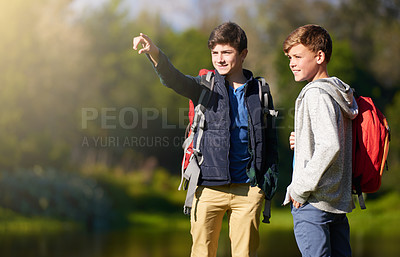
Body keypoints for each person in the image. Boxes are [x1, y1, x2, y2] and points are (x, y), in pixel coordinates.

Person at [132, 22, 278, 257]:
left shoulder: (259, 91)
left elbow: (269, 139)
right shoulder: (204, 86)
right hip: (209, 187)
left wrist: (265, 180)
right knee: (202, 253)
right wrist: (154, 53)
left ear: (243, 54)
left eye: (226, 52)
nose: (219, 59)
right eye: (215, 53)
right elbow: (174, 79)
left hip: (248, 190)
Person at [282, 24, 358, 257]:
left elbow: (329, 145)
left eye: (297, 56)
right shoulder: (338, 93)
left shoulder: (315, 93)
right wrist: (303, 141)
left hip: (314, 203)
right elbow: (332, 138)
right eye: (289, 58)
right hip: (336, 202)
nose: (291, 63)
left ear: (319, 56)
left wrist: (299, 189)